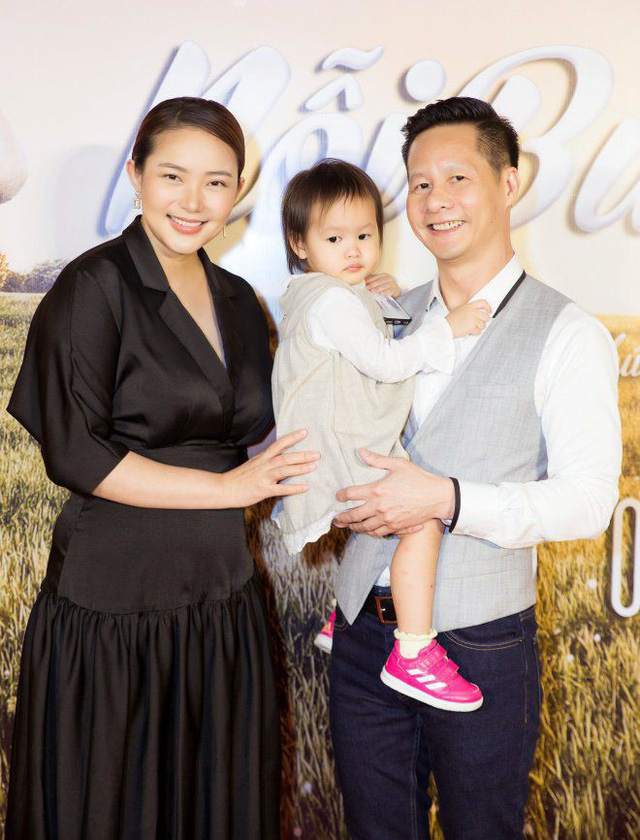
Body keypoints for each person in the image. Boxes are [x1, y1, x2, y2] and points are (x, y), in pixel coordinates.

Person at [5, 96, 320, 840]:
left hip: (221, 600)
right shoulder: (94, 286)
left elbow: (259, 433)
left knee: (212, 807)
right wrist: (228, 488)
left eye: (217, 182)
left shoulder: (239, 301)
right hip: (115, 608)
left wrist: (356, 325)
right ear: (136, 175)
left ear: (238, 190)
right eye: (173, 175)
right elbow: (77, 454)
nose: (193, 201)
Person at [328, 98, 621, 840]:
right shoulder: (381, 319)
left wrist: (448, 499)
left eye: (458, 177)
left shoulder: (567, 332)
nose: (436, 200)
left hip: (480, 641)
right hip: (360, 637)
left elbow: (589, 500)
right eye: (420, 184)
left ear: (509, 182)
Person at [272, 159, 489, 711]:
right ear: (299, 243)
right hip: (337, 445)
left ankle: (344, 614)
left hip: (323, 443)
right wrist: (448, 328)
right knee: (421, 518)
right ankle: (413, 650)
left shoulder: (317, 293)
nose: (353, 250)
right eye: (335, 239)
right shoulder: (332, 301)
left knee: (384, 518)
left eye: (364, 236)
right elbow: (385, 362)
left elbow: (366, 330)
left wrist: (378, 298)